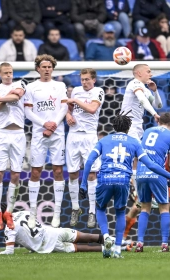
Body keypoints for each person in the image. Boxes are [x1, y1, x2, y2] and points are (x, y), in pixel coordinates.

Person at [80, 112, 170, 258]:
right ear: (129, 127)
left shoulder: (104, 140)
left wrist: (83, 184)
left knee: (100, 208)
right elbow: (151, 164)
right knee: (121, 212)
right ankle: (118, 249)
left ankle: (106, 235)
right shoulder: (134, 142)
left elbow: (89, 162)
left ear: (113, 125)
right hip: (123, 180)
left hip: (106, 179)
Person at [23, 54, 68, 229]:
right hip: (39, 133)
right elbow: (28, 112)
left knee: (58, 171)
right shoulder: (31, 87)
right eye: (44, 67)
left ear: (53, 69)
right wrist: (44, 124)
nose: (47, 69)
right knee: (35, 172)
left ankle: (56, 215)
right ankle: (33, 214)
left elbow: (64, 107)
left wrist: (54, 125)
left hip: (57, 133)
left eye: (49, 67)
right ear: (38, 69)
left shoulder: (60, 85)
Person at [0, 62, 26, 230]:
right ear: (0, 74)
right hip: (2, 134)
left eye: (10, 72)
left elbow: (15, 97)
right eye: (5, 73)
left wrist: (0, 98)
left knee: (16, 175)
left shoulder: (21, 84)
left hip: (18, 134)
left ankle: (8, 212)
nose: (9, 75)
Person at [123, 158, 170, 247]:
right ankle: (122, 238)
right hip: (148, 188)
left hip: (165, 189)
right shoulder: (145, 156)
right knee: (134, 210)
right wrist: (134, 188)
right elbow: (134, 171)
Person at [65, 69, 105, 228]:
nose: (84, 82)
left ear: (94, 80)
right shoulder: (76, 90)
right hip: (73, 135)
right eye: (82, 79)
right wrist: (68, 114)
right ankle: (75, 208)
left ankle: (92, 212)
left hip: (89, 136)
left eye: (87, 79)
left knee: (91, 174)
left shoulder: (98, 91)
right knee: (73, 173)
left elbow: (92, 109)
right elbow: (70, 107)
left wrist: (73, 100)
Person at [135, 113, 170, 253]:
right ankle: (164, 244)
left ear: (159, 122)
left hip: (141, 172)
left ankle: (139, 243)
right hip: (157, 173)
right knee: (164, 208)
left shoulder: (147, 131)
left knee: (144, 208)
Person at [120, 63, 163, 201]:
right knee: (137, 155)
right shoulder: (134, 84)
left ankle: (135, 187)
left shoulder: (146, 89)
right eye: (148, 71)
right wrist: (155, 114)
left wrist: (155, 91)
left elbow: (159, 104)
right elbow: (142, 100)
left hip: (138, 125)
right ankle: (134, 189)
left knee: (137, 157)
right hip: (128, 123)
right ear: (139, 73)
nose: (150, 74)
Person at [0, 205, 105, 254]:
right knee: (87, 236)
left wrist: (1, 253)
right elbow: (33, 230)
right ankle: (118, 243)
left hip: (50, 245)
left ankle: (107, 249)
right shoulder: (24, 212)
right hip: (54, 231)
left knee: (80, 248)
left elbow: (9, 251)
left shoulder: (9, 229)